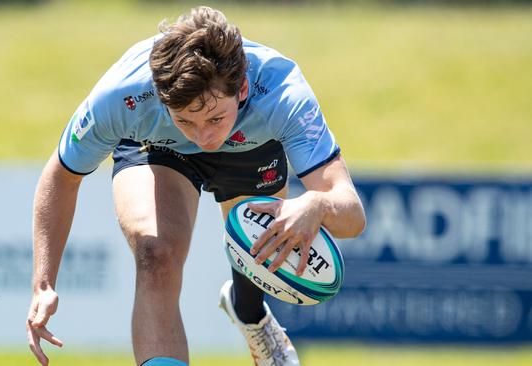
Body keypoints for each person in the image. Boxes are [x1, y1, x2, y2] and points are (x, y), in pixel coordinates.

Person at [26, 6, 365, 366]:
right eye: (186, 120)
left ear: (243, 87)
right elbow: (62, 175)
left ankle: (249, 313)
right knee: (156, 257)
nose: (204, 136)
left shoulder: (284, 94)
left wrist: (316, 205)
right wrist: (43, 283)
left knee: (259, 244)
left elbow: (352, 215)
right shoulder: (122, 95)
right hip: (159, 146)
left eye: (215, 117)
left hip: (253, 145)